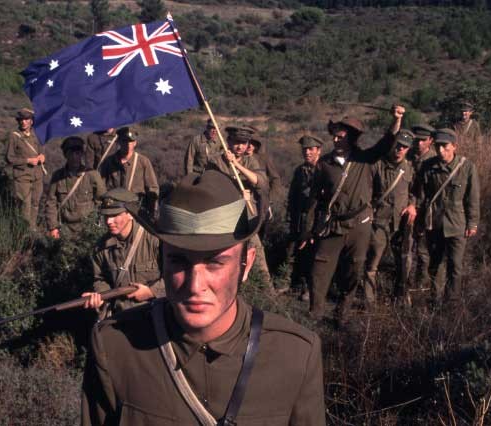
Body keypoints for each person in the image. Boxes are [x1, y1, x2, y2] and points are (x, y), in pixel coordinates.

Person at [81, 170, 326, 425]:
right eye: (178, 261)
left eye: (215, 262)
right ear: (160, 260)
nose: (195, 285)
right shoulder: (114, 348)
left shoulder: (295, 356)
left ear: (246, 264)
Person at [302, 106, 404, 324]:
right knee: (319, 270)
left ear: (352, 138)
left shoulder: (365, 159)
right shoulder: (324, 164)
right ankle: (315, 315)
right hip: (332, 225)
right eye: (335, 136)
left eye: (341, 137)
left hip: (360, 225)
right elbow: (314, 200)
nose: (336, 140)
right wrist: (309, 229)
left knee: (354, 270)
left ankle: (342, 313)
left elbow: (388, 141)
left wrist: (396, 120)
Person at [408, 128, 480, 302]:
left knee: (455, 266)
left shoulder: (467, 167)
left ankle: (452, 302)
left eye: (445, 146)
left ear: (454, 146)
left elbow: (473, 198)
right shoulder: (428, 166)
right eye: (438, 146)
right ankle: (436, 299)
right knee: (435, 264)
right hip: (435, 223)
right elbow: (421, 195)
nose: (441, 150)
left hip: (457, 224)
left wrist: (472, 223)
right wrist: (418, 218)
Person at [83, 188, 164, 318]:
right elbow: (100, 279)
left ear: (130, 214)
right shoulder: (100, 248)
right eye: (106, 216)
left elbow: (175, 277)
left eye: (114, 215)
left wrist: (152, 292)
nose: (109, 221)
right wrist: (100, 296)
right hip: (120, 317)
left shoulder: (155, 240)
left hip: (155, 315)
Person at [207, 126, 272, 288]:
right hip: (224, 217)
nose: (240, 146)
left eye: (244, 143)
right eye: (237, 142)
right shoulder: (215, 161)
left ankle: (268, 291)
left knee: (256, 252)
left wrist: (236, 165)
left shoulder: (251, 160)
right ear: (228, 142)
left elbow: (261, 182)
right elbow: (209, 186)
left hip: (247, 216)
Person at [363, 129, 415, 306]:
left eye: (404, 147)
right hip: (379, 222)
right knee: (372, 263)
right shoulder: (377, 165)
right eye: (398, 145)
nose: (400, 149)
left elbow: (414, 192)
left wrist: (412, 205)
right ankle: (369, 301)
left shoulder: (409, 168)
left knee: (403, 263)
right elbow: (366, 193)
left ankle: (399, 297)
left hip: (401, 224)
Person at [284, 135, 323, 301]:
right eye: (304, 149)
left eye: (310, 149)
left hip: (317, 219)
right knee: (293, 251)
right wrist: (290, 215)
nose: (307, 152)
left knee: (314, 255)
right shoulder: (300, 171)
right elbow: (293, 195)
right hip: (299, 218)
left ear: (318, 151)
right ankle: (291, 282)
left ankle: (310, 288)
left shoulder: (325, 169)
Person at [45, 136, 106, 239]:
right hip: (64, 228)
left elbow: (102, 199)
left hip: (87, 228)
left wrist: (99, 224)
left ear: (82, 154)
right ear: (65, 155)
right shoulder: (58, 176)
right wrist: (53, 227)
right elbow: (51, 202)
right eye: (70, 153)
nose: (74, 157)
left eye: (77, 153)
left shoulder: (92, 175)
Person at [409, 124, 443, 293]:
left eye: (423, 140)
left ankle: (420, 285)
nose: (419, 143)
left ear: (430, 141)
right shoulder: (408, 157)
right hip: (407, 208)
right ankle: (404, 283)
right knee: (405, 249)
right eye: (416, 140)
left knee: (423, 251)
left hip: (425, 211)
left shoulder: (432, 162)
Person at [100, 127, 159, 216]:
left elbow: (152, 188)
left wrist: (152, 210)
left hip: (137, 210)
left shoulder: (143, 161)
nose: (127, 144)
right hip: (114, 210)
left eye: (130, 142)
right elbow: (101, 187)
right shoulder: (109, 162)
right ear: (119, 142)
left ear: (135, 143)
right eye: (124, 141)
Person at [5, 108, 45, 230]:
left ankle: (32, 229)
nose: (24, 122)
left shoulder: (36, 134)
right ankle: (24, 232)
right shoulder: (14, 136)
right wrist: (27, 161)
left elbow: (41, 150)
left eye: (27, 119)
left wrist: (42, 156)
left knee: (35, 203)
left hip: (37, 175)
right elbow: (9, 158)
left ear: (31, 121)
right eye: (21, 119)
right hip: (22, 177)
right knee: (24, 206)